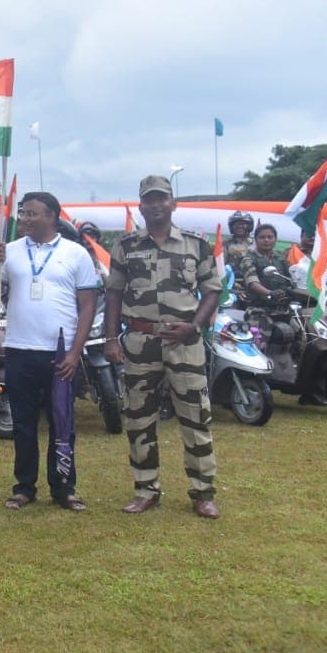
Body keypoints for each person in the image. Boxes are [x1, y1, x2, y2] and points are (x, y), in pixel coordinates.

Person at [104, 176, 222, 520]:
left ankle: (203, 492)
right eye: (149, 200)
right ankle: (145, 489)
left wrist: (195, 325)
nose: (155, 205)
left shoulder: (195, 244)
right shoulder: (125, 246)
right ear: (141, 206)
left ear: (173, 203)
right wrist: (112, 339)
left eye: (161, 199)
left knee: (196, 416)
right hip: (140, 342)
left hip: (184, 341)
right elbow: (113, 292)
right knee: (139, 418)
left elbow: (212, 289)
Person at [0, 191, 100, 513]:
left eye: (32, 214)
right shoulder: (11, 252)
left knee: (63, 421)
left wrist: (76, 352)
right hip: (20, 349)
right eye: (23, 213)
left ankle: (64, 488)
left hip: (60, 353)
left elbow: (87, 306)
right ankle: (24, 487)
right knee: (23, 422)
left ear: (52, 216)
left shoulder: (75, 254)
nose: (25, 219)